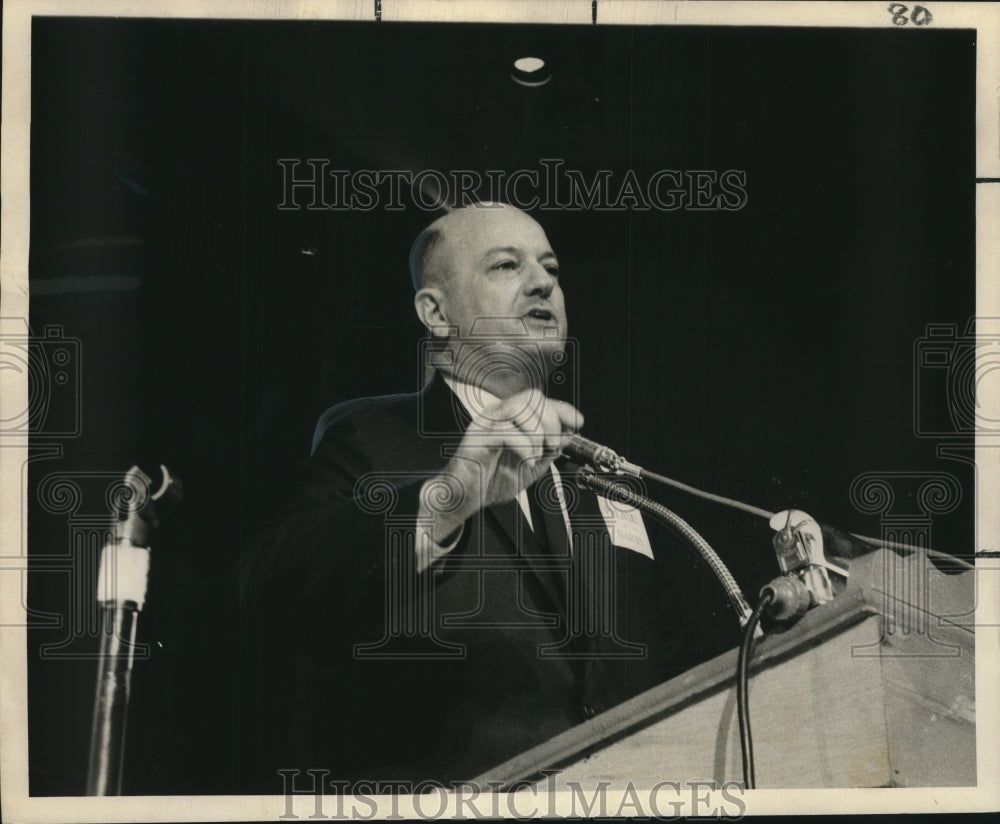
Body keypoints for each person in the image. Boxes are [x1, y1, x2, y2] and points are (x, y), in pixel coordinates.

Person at [238, 204, 684, 791]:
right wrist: (448, 498)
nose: (544, 281)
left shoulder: (605, 475)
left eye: (551, 266)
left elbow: (672, 665)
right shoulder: (371, 436)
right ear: (436, 312)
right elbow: (271, 586)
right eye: (506, 265)